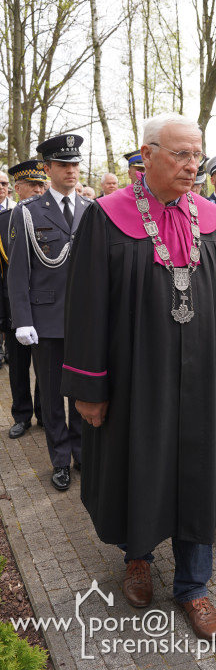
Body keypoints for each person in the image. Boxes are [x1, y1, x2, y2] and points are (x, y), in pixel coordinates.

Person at [61, 113, 216, 642]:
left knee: (197, 474)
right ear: (148, 153)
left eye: (198, 154)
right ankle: (137, 558)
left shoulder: (212, 217)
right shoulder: (107, 216)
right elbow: (88, 308)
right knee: (140, 467)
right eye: (182, 154)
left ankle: (194, 585)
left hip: (201, 381)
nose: (194, 165)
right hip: (136, 378)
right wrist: (89, 389)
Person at [8, 135, 92, 491]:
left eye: (75, 164)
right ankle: (59, 458)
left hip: (86, 320)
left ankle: (82, 453)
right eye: (63, 165)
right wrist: (23, 319)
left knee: (84, 390)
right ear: (47, 169)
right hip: (47, 320)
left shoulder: (92, 210)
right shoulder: (27, 212)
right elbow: (18, 272)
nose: (71, 171)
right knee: (54, 394)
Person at [1, 160, 45, 438]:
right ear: (18, 188)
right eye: (33, 186)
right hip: (13, 303)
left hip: (46, 304)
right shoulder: (4, 220)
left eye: (42, 184)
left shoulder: (52, 216)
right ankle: (21, 414)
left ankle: (43, 411)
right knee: (18, 364)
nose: (39, 191)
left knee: (45, 366)